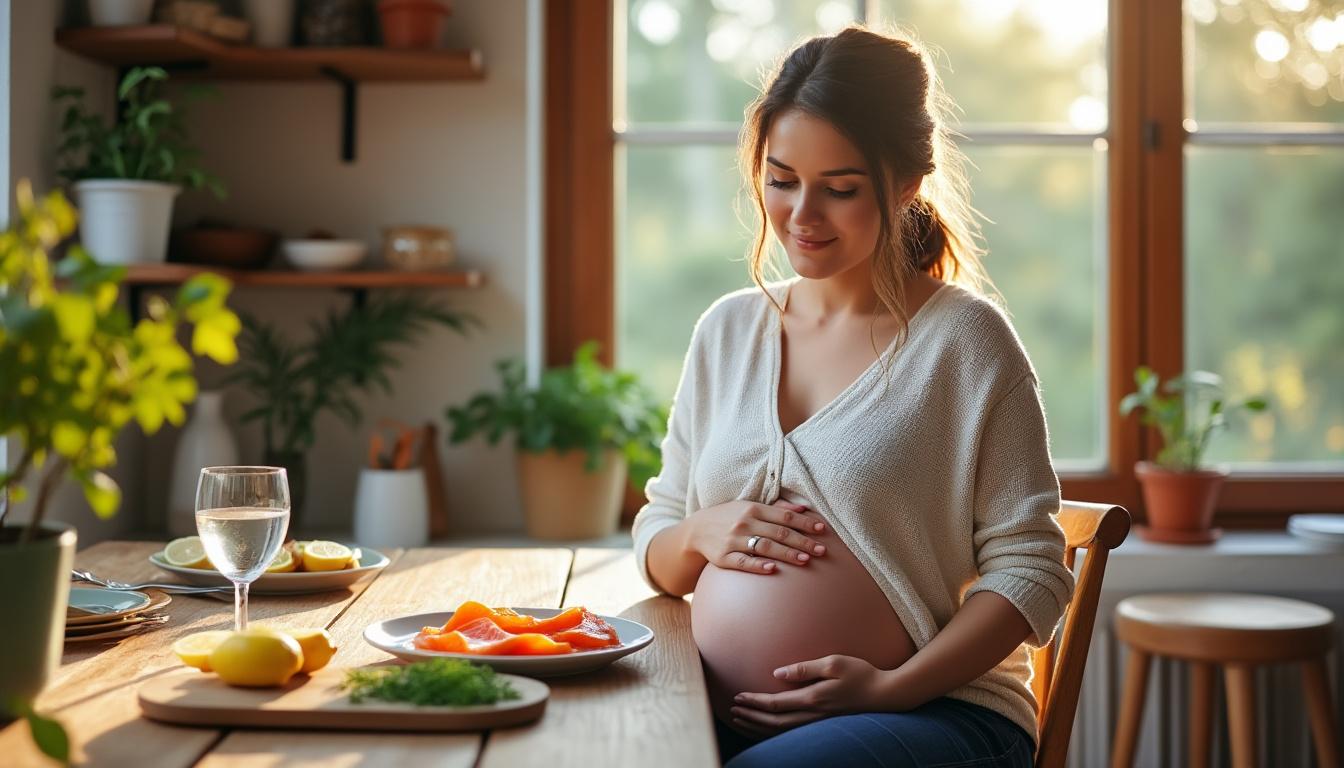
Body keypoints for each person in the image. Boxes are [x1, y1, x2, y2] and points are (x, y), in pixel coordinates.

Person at [631, 25, 1077, 768]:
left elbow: (1031, 570)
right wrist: (701, 532)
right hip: (719, 713)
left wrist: (892, 689)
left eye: (839, 189)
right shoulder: (727, 331)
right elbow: (659, 541)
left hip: (939, 714)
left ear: (905, 185)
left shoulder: (964, 342)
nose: (802, 215)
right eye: (781, 180)